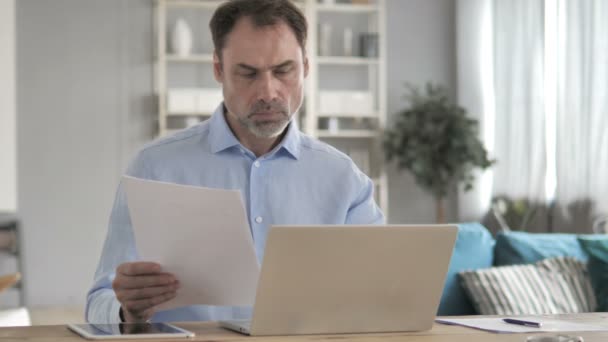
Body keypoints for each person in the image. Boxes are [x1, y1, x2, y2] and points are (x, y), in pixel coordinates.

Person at [86, 0, 385, 325]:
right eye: (248, 73)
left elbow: (382, 293)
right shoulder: (155, 168)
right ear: (218, 69)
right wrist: (126, 310)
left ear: (306, 67)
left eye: (284, 71)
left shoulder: (344, 179)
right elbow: (100, 302)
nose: (268, 91)